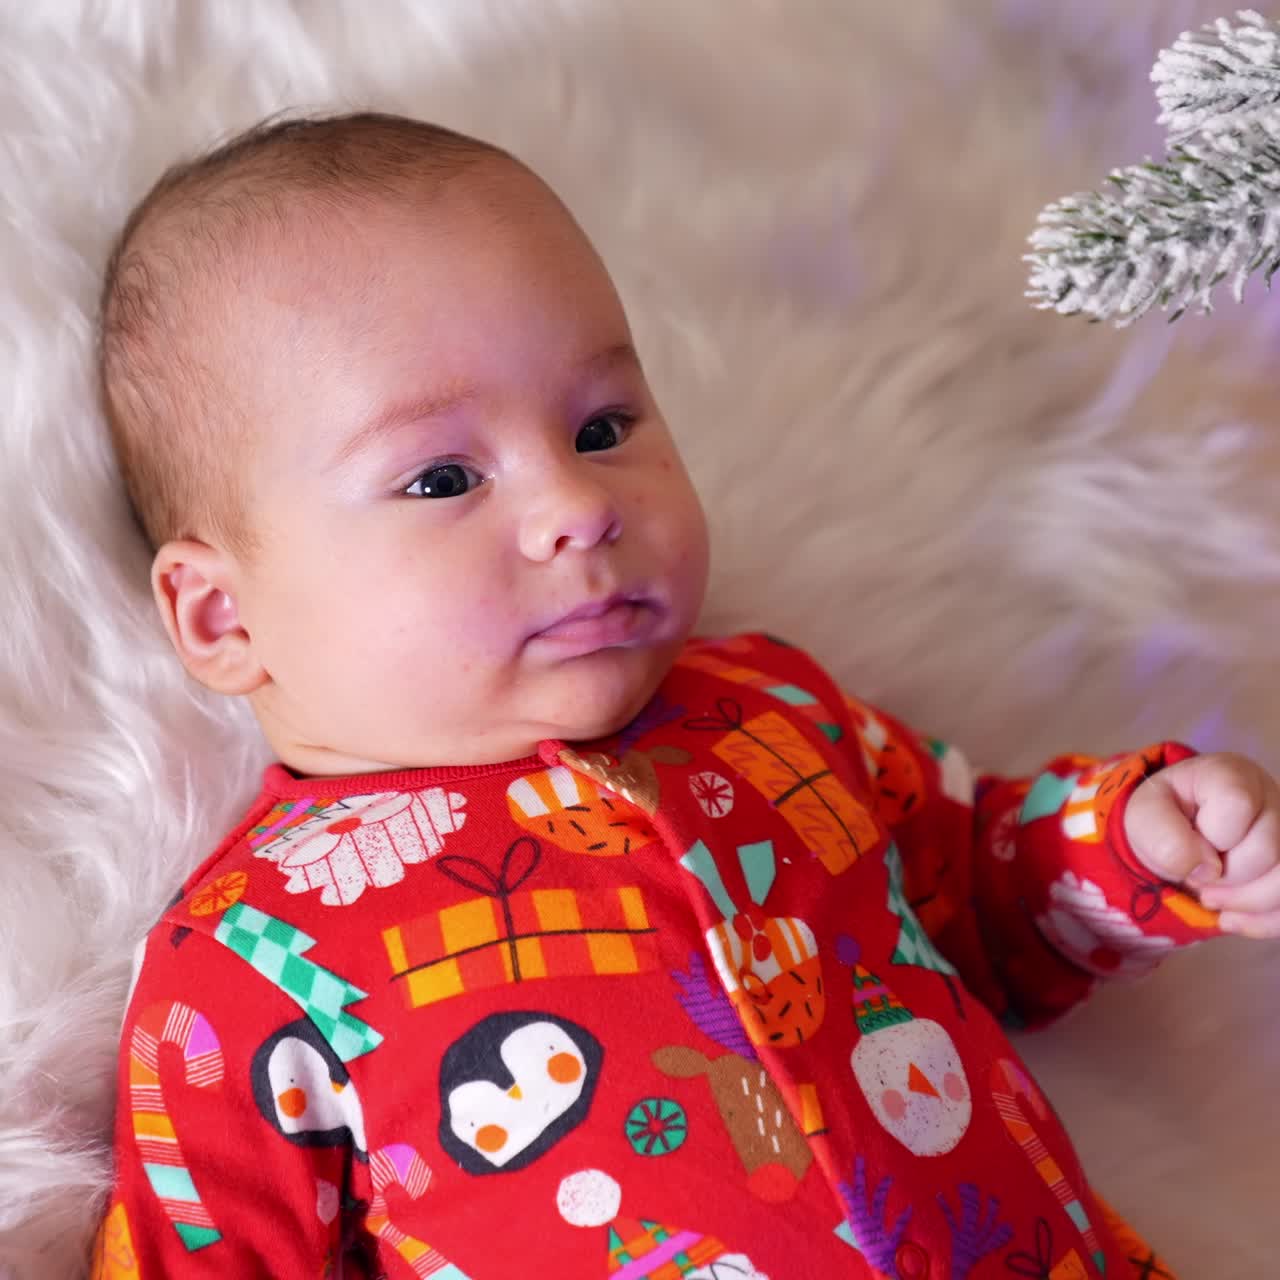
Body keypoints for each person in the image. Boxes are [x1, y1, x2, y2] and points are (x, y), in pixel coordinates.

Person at [89, 112, 1280, 1279]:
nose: (577, 502)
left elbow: (972, 891)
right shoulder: (246, 956)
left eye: (602, 425)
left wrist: (1129, 838)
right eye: (442, 476)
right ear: (223, 615)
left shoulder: (774, 712)